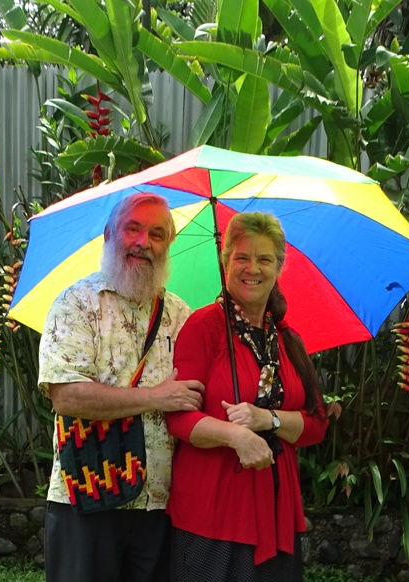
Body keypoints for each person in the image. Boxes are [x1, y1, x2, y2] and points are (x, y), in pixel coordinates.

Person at [37, 192, 206, 582]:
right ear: (109, 234)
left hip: (160, 501)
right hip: (87, 495)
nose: (144, 242)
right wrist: (155, 397)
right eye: (133, 229)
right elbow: (66, 396)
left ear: (169, 244)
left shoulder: (182, 315)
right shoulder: (76, 304)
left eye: (157, 234)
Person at [165, 212, 329, 581]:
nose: (252, 268)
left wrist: (267, 419)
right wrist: (235, 436)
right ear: (225, 263)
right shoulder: (203, 328)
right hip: (214, 512)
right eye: (242, 257)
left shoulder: (288, 339)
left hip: (276, 509)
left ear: (279, 267)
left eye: (264, 259)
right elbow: (179, 417)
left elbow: (316, 424)